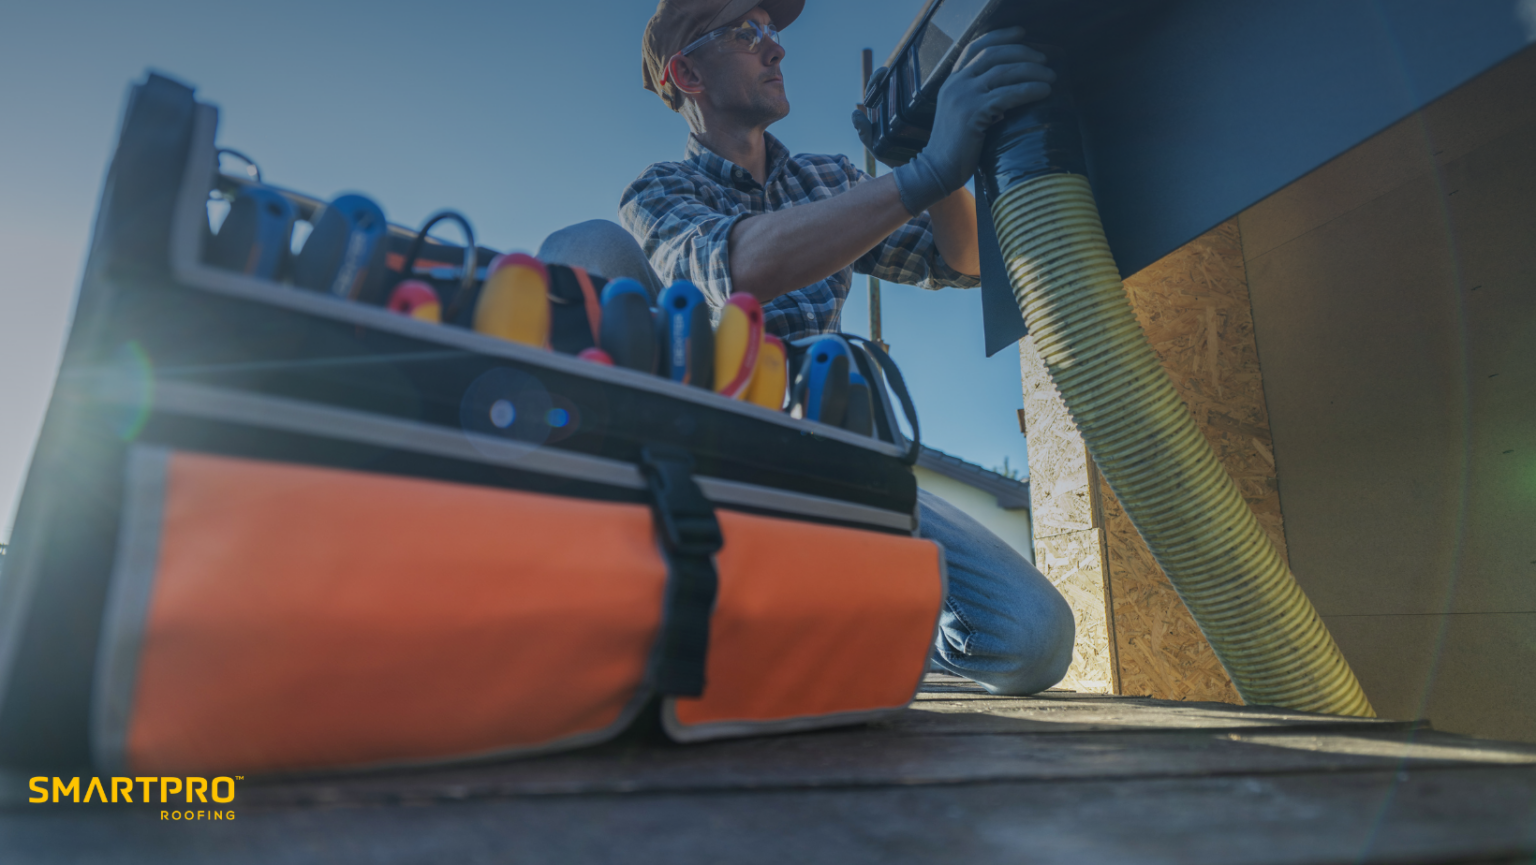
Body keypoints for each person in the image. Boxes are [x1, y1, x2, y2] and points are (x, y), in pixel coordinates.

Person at [538, 0, 1074, 695]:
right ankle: (619, 582)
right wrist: (921, 177)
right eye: (746, 33)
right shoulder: (659, 191)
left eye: (772, 31)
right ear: (688, 73)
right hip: (703, 449)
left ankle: (852, 630)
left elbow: (962, 261)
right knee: (584, 251)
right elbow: (738, 270)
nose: (776, 49)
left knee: (1033, 637)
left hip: (822, 449)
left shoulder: (827, 182)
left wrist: (921, 152)